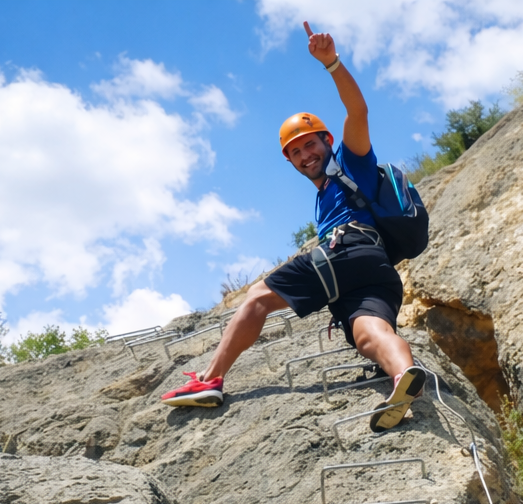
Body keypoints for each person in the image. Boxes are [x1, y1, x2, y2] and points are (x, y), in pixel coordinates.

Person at [161, 21, 426, 433]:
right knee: (369, 335)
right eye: (296, 152)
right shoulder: (323, 196)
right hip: (375, 271)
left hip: (349, 249)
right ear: (290, 161)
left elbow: (358, 111)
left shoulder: (352, 162)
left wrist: (332, 63)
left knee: (257, 298)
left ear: (327, 141)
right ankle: (403, 376)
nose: (305, 155)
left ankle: (210, 379)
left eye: (310, 144)